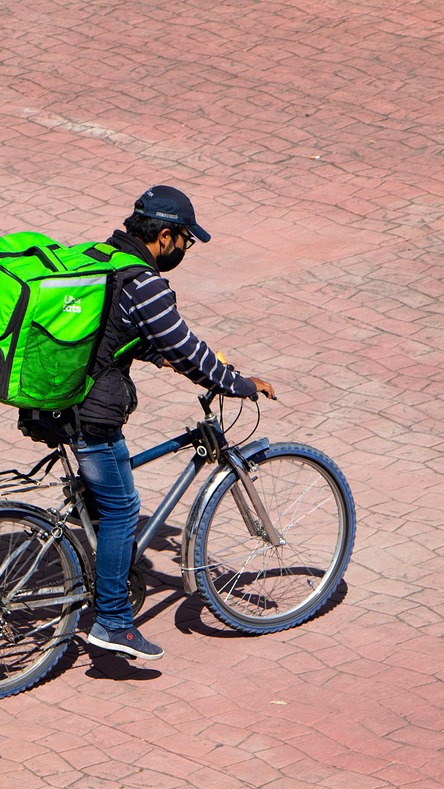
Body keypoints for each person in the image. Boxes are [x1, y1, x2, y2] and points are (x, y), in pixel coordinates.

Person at [74, 185, 275, 661]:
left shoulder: (99, 256)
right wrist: (238, 383)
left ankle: (88, 569)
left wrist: (153, 355)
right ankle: (114, 624)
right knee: (124, 510)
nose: (185, 249)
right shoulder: (145, 282)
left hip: (56, 400)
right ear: (164, 236)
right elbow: (189, 350)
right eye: (185, 240)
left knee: (102, 505)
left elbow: (105, 330)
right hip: (90, 413)